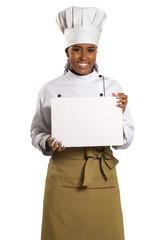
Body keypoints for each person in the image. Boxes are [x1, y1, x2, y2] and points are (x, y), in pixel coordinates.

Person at [30, 6, 134, 240]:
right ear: (67, 51)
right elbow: (37, 131)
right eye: (77, 49)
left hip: (100, 174)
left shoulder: (113, 89)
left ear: (97, 52)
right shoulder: (50, 89)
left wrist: (119, 113)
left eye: (91, 50)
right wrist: (47, 141)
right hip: (63, 175)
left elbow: (126, 140)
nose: (84, 57)